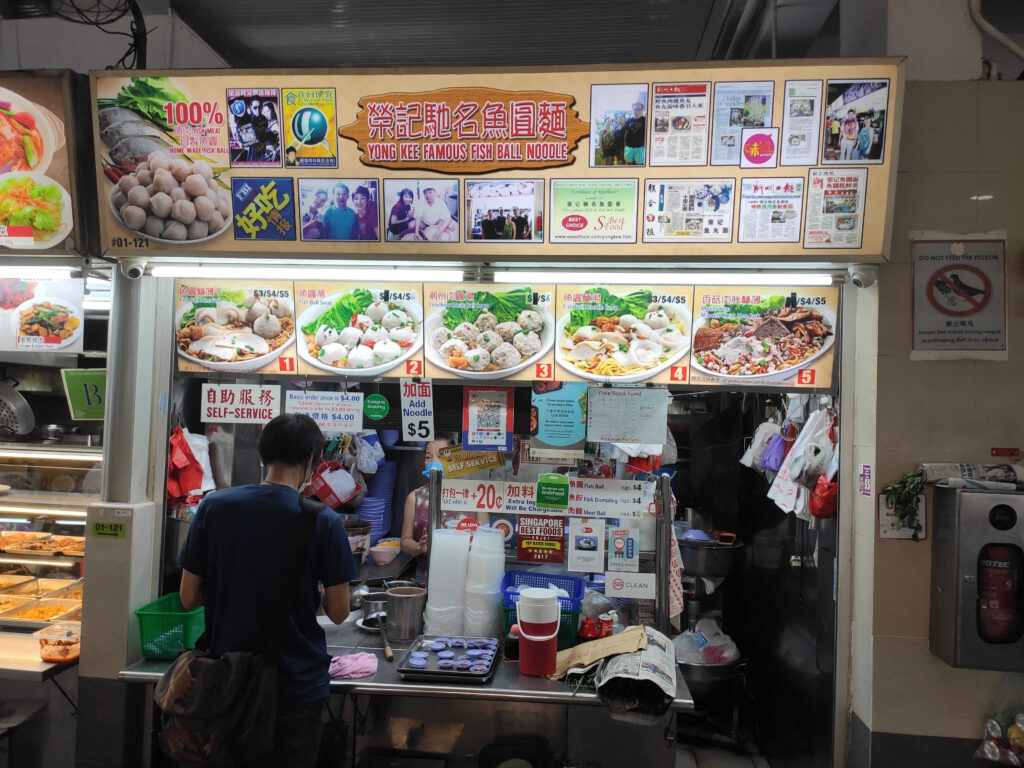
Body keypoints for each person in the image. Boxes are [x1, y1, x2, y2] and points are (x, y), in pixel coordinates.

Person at [178, 413, 357, 768]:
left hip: (226, 683)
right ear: (310, 460)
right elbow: (339, 611)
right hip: (295, 685)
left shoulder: (214, 507)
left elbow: (189, 598)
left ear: (262, 456)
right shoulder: (324, 520)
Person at [400, 437, 488, 581]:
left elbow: (486, 543)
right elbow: (405, 542)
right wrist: (419, 547)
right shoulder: (414, 497)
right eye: (428, 457)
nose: (434, 462)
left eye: (441, 456)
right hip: (426, 579)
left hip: (466, 579)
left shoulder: (474, 498)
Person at [623, 100, 647, 165]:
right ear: (632, 109)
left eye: (639, 109)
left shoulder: (646, 120)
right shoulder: (628, 121)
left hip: (640, 148)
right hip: (629, 147)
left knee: (639, 166)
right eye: (635, 109)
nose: (637, 111)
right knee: (629, 165)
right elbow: (624, 133)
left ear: (642, 110)